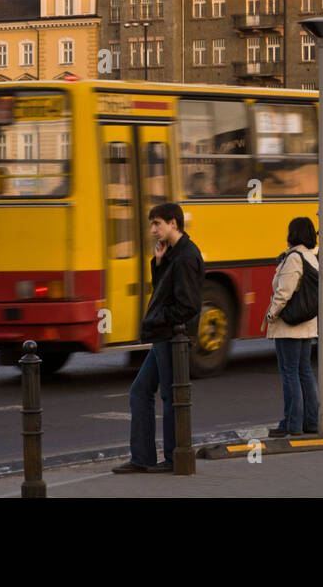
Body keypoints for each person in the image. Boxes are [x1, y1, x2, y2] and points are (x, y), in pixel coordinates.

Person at [112, 202, 204, 474]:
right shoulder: (173, 254)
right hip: (165, 336)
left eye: (157, 224)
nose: (153, 230)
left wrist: (159, 318)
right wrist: (159, 263)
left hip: (173, 338)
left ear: (174, 223)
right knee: (141, 391)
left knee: (170, 396)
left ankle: (175, 459)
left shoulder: (187, 256)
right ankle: (143, 458)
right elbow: (164, 292)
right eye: (152, 224)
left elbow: (188, 305)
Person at [266, 217, 320, 437]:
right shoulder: (311, 257)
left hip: (289, 325)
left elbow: (283, 292)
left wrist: (272, 314)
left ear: (293, 233)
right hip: (306, 324)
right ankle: (311, 422)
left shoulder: (294, 258)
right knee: (304, 371)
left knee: (290, 373)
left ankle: (292, 424)